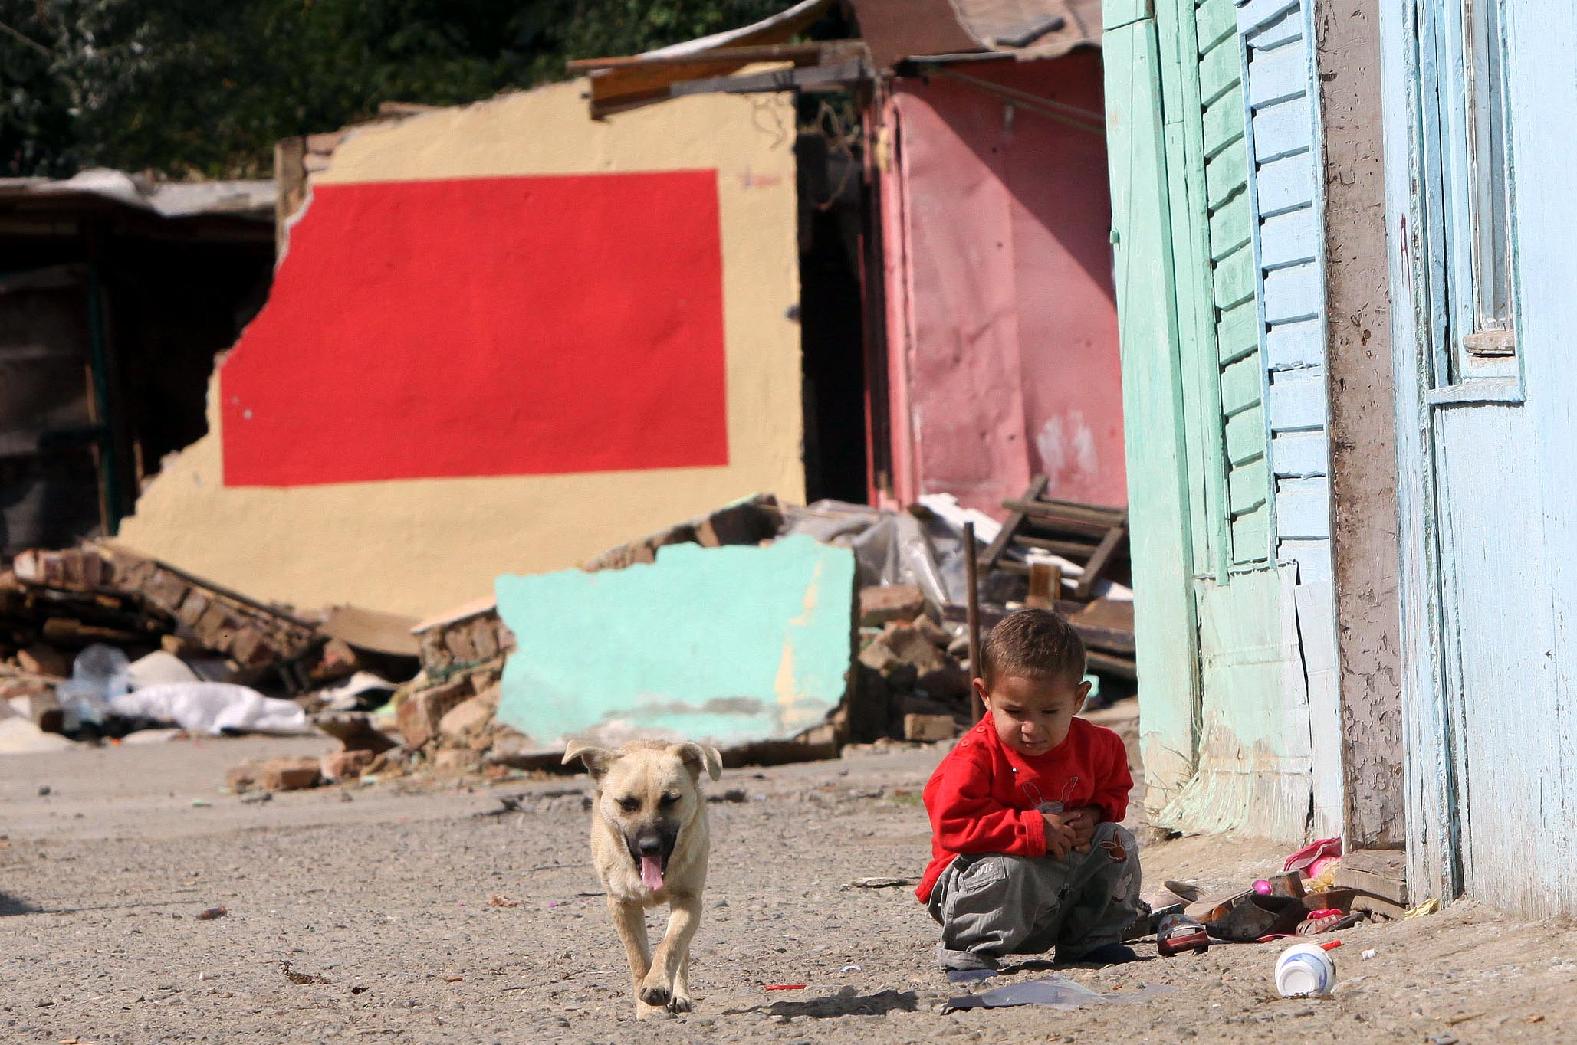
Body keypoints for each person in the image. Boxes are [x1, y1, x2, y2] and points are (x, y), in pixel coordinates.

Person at [916, 608, 1141, 971]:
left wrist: (1094, 815)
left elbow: (1114, 791)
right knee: (1012, 868)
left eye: (1049, 712)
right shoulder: (975, 756)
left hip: (1054, 890)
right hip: (980, 887)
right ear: (985, 695)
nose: (1032, 728)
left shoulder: (1100, 746)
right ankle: (969, 947)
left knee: (1117, 843)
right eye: (1016, 712)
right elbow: (953, 824)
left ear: (1079, 698)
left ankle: (1090, 941)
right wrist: (1033, 831)